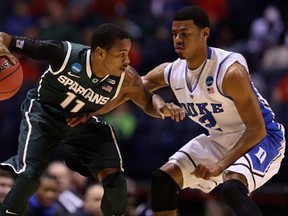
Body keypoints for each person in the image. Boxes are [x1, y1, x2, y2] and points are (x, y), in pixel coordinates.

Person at [0, 23, 185, 216]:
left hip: (81, 122)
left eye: (128, 53)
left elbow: (147, 100)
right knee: (29, 177)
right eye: (121, 54)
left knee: (116, 183)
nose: (127, 60)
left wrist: (163, 107)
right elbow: (12, 40)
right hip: (44, 114)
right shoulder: (65, 54)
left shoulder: (126, 78)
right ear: (100, 53)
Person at [141, 6, 286, 216]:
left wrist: (220, 166)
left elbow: (257, 129)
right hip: (220, 138)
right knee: (162, 180)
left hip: (262, 137)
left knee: (231, 189)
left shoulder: (229, 71)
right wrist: (158, 103)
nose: (178, 39)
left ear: (204, 34)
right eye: (174, 34)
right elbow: (134, 86)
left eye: (185, 34)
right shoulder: (173, 71)